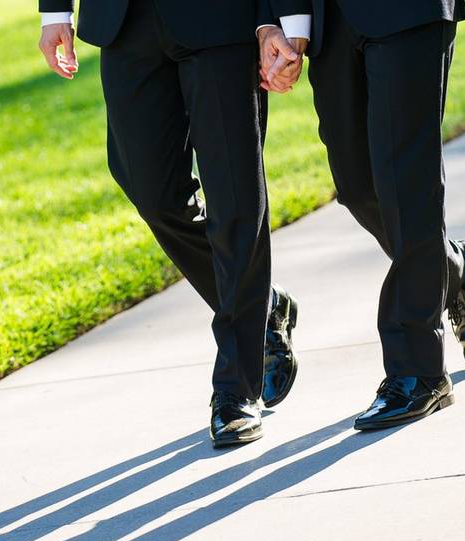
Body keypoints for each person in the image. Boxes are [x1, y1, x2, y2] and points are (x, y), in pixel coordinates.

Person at [37, 0, 305, 447]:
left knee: (234, 196)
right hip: (124, 21)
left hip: (221, 21)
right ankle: (263, 306)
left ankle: (236, 390)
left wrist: (276, 17)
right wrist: (54, 13)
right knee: (153, 193)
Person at [257, 0, 465, 430]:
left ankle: (419, 373)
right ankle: (455, 268)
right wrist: (289, 20)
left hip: (407, 13)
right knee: (357, 187)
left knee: (406, 185)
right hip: (330, 20)